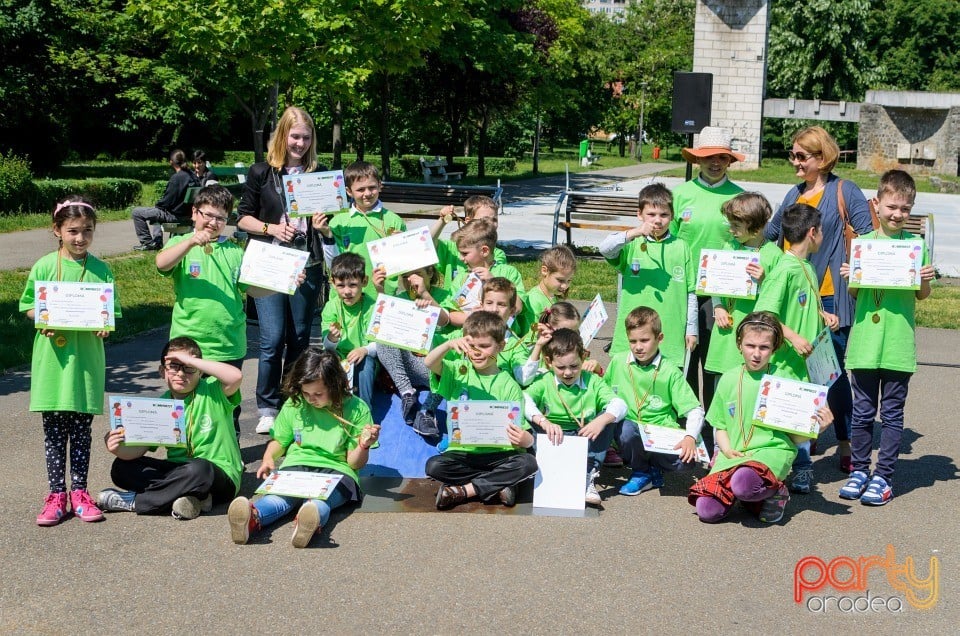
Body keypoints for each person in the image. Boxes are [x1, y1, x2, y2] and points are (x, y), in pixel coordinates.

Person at [765, 126, 874, 473]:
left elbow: (869, 238)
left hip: (829, 297)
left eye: (801, 156)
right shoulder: (794, 194)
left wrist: (856, 268)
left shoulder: (845, 190)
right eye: (793, 155)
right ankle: (803, 434)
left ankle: (845, 440)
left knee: (832, 373)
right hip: (791, 295)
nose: (794, 162)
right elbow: (770, 236)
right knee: (793, 367)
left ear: (822, 157)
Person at [156, 185, 291, 436]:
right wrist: (190, 243)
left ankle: (230, 454)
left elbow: (252, 289)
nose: (213, 222)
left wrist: (285, 281)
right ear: (195, 213)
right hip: (188, 341)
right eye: (207, 215)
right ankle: (187, 454)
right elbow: (161, 263)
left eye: (221, 218)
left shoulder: (233, 251)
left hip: (227, 342)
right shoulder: (180, 242)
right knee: (187, 400)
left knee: (227, 404)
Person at [21, 198, 121, 526]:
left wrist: (104, 326)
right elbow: (27, 306)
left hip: (86, 363)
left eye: (87, 231)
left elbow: (110, 313)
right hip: (52, 363)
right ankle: (56, 494)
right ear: (57, 231)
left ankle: (79, 491)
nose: (80, 238)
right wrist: (42, 317)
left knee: (81, 430)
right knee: (53, 432)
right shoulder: (45, 267)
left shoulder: (101, 269)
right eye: (73, 231)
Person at [838, 170, 935, 506]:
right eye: (892, 206)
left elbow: (922, 296)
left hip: (896, 345)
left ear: (911, 209)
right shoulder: (863, 245)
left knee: (892, 415)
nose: (897, 214)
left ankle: (884, 476)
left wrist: (923, 277)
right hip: (865, 343)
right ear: (876, 205)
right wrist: (852, 275)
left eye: (905, 209)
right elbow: (854, 293)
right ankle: (860, 471)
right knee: (863, 413)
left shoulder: (915, 246)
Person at [236, 106, 333, 435]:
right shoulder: (262, 172)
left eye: (306, 137)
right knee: (272, 338)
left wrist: (323, 226)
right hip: (271, 263)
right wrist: (270, 228)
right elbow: (242, 218)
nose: (300, 143)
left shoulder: (320, 174)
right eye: (295, 136)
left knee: (300, 337)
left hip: (308, 262)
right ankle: (267, 405)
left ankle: (292, 398)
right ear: (282, 136)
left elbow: (334, 219)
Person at [688, 311, 833, 524]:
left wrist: (818, 428)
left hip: (770, 453)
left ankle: (775, 492)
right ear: (739, 344)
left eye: (764, 348)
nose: (756, 354)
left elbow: (796, 439)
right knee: (707, 510)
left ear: (773, 349)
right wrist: (726, 450)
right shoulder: (728, 379)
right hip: (734, 453)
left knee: (743, 484)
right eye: (750, 346)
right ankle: (751, 499)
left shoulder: (784, 380)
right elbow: (720, 426)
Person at [228, 347, 380, 547]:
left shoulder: (357, 408)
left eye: (318, 393)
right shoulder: (295, 403)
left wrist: (363, 445)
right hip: (298, 464)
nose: (311, 399)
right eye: (306, 393)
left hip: (338, 470)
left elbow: (354, 463)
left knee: (320, 502)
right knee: (279, 497)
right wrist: (269, 457)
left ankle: (309, 519)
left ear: (335, 385)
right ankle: (253, 517)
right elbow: (279, 440)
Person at [97, 337, 244, 519]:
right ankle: (192, 497)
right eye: (174, 366)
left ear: (200, 372)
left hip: (218, 475)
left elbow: (235, 376)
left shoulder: (213, 391)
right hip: (179, 471)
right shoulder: (160, 405)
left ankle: (135, 501)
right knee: (121, 468)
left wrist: (190, 359)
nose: (181, 374)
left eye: (189, 368)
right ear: (162, 371)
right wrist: (116, 447)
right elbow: (138, 450)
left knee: (199, 469)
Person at [755, 203, 838, 495]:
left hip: (808, 364)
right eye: (822, 231)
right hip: (787, 364)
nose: (823, 236)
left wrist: (822, 316)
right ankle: (777, 471)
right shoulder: (785, 269)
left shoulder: (808, 267)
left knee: (805, 417)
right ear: (812, 233)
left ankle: (801, 470)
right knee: (787, 418)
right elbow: (765, 313)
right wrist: (791, 336)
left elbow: (802, 306)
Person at [424, 311, 538, 509]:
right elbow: (429, 362)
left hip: (500, 454)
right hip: (463, 454)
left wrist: (527, 440)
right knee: (434, 466)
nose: (477, 352)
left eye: (484, 346)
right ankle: (498, 485)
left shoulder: (509, 385)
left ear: (501, 346)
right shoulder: (458, 371)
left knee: (528, 463)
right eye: (472, 346)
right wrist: (448, 345)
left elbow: (523, 434)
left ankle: (463, 491)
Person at [672, 126, 746, 415]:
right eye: (708, 157)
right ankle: (689, 423)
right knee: (685, 361)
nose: (715, 163)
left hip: (724, 297)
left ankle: (717, 428)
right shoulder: (680, 195)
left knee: (716, 363)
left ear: (729, 161)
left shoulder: (740, 197)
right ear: (697, 160)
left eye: (721, 158)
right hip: (684, 290)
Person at [604, 307, 705, 496]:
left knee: (686, 461)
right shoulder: (618, 361)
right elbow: (601, 393)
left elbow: (694, 410)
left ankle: (653, 467)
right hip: (630, 431)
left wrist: (690, 437)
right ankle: (641, 472)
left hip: (661, 434)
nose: (638, 347)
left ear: (660, 338)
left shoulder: (670, 371)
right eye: (633, 341)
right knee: (625, 430)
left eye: (644, 340)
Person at [523, 328, 627, 505]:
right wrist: (543, 421)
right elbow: (523, 399)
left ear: (583, 359)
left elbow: (620, 404)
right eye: (561, 367)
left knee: (610, 417)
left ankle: (588, 475)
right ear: (549, 362)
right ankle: (544, 474)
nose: (568, 373)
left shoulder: (592, 380)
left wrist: (601, 420)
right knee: (526, 417)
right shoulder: (544, 380)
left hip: (584, 434)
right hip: (552, 434)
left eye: (574, 366)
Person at [599, 183, 696, 367]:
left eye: (664, 215)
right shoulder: (632, 244)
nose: (657, 221)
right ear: (639, 214)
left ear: (672, 216)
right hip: (634, 331)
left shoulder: (681, 247)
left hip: (670, 332)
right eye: (651, 215)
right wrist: (635, 232)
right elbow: (605, 248)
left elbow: (690, 292)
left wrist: (692, 330)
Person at [705, 192, 783, 379]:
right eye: (730, 224)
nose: (731, 230)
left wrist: (764, 281)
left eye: (736, 226)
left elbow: (779, 298)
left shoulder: (774, 255)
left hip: (755, 337)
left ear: (755, 228)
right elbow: (714, 284)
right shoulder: (729, 247)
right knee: (723, 383)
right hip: (725, 331)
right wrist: (718, 307)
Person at [373, 263, 454, 437]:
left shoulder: (445, 294)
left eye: (417, 274)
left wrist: (426, 296)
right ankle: (407, 393)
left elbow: (445, 321)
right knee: (384, 333)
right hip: (407, 366)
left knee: (449, 362)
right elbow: (384, 320)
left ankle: (426, 412)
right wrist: (380, 289)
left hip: (434, 370)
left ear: (430, 273)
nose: (412, 280)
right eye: (406, 276)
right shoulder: (401, 296)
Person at [328, 161, 407, 295]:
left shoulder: (394, 220)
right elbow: (332, 259)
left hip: (383, 292)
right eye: (360, 189)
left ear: (380, 185)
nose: (367, 193)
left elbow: (405, 260)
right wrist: (326, 235)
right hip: (347, 293)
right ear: (349, 191)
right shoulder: (338, 222)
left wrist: (402, 244)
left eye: (372, 187)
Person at [320, 253, 378, 408]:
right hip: (338, 356)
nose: (347, 291)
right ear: (333, 283)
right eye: (341, 285)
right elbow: (327, 346)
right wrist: (332, 338)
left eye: (352, 285)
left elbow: (380, 344)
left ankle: (365, 410)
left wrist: (364, 350)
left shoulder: (373, 307)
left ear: (364, 281)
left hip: (364, 356)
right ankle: (331, 407)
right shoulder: (331, 307)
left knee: (365, 366)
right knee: (324, 362)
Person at [447, 219, 525, 325]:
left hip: (503, 337)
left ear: (484, 251)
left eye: (465, 253)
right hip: (471, 337)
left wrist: (493, 281)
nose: (460, 258)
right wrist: (473, 317)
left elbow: (518, 307)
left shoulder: (508, 272)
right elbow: (451, 316)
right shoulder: (462, 278)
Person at [430, 195, 507, 285]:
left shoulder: (497, 254)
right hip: (452, 299)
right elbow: (428, 243)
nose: (491, 224)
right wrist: (442, 220)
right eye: (484, 220)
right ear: (468, 221)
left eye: (494, 219)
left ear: (485, 251)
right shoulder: (451, 248)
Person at [132, 149, 200, 251]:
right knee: (157, 212)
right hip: (189, 215)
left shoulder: (176, 178)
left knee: (137, 212)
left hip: (175, 216)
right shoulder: (193, 176)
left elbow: (167, 202)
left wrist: (158, 205)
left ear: (171, 162)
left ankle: (147, 243)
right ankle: (157, 242)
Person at [520, 245, 576, 325]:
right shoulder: (533, 301)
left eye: (569, 280)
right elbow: (531, 336)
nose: (565, 286)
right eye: (560, 280)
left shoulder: (553, 296)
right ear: (545, 271)